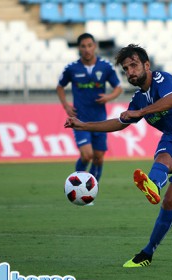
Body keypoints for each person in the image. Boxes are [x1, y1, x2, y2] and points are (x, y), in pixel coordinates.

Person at [64, 44, 172, 267]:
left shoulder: (163, 79)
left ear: (146, 65)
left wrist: (140, 113)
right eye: (126, 69)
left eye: (134, 65)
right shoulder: (139, 98)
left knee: (171, 201)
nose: (130, 72)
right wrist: (83, 125)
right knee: (162, 160)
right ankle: (153, 186)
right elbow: (119, 123)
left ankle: (148, 250)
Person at [57, 33, 122, 183]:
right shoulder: (71, 68)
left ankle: (91, 190)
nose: (87, 49)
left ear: (95, 47)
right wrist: (66, 105)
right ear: (79, 48)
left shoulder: (105, 67)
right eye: (83, 46)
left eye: (89, 45)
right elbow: (60, 87)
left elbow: (118, 88)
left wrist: (109, 97)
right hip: (80, 120)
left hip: (100, 121)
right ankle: (75, 184)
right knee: (87, 155)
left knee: (98, 158)